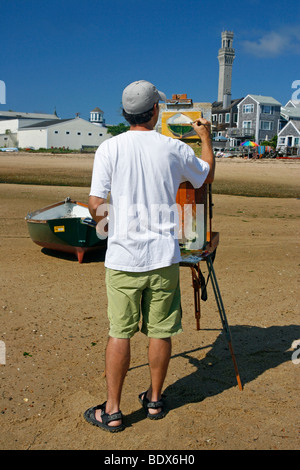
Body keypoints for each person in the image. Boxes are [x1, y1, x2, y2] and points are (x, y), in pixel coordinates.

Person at [84, 80, 215, 432]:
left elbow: (96, 205)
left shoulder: (108, 148)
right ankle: (154, 400)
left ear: (125, 113)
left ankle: (112, 411)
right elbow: (204, 178)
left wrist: (113, 222)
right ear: (156, 111)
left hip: (123, 258)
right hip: (163, 257)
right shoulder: (173, 148)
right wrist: (205, 138)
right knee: (160, 331)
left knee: (119, 333)